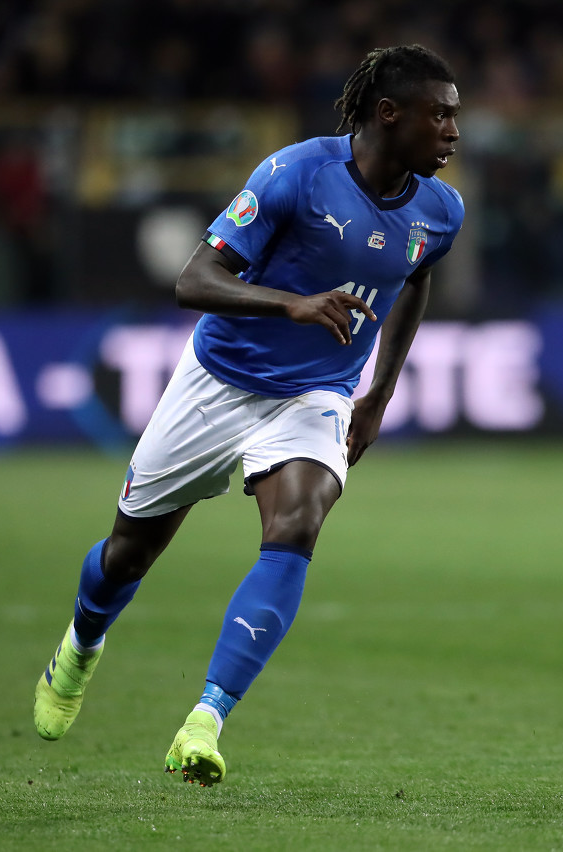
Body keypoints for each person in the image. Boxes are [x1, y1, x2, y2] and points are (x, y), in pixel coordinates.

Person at [32, 44, 463, 788]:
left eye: (456, 116)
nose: (454, 131)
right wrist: (291, 304)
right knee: (128, 555)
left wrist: (378, 395)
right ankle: (80, 644)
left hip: (316, 393)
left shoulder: (441, 210)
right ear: (389, 113)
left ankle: (205, 720)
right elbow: (194, 279)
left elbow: (415, 275)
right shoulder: (297, 173)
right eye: (441, 115)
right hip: (218, 380)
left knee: (298, 524)